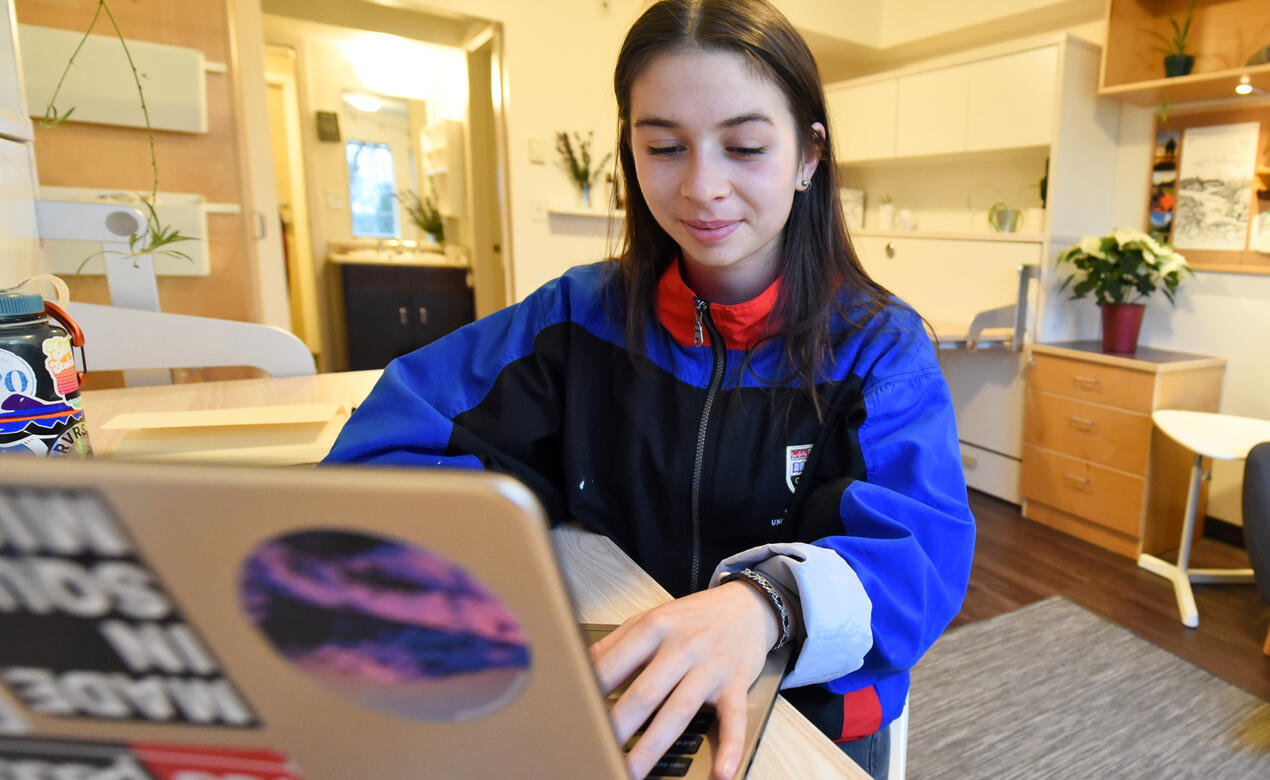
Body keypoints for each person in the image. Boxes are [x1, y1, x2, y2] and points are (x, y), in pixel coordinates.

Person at [324, 0, 975, 777]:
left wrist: (766, 605)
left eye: (744, 146)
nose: (703, 186)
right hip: (617, 687)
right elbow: (388, 446)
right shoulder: (578, 315)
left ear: (808, 157)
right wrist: (491, 533)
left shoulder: (879, 347)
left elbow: (922, 558)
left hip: (810, 715)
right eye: (664, 146)